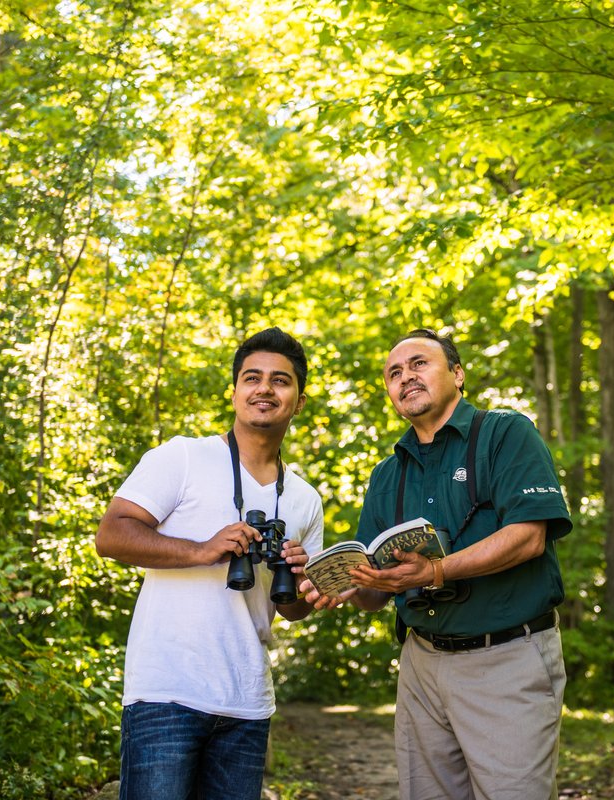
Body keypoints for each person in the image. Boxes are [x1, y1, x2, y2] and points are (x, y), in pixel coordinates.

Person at [302, 328, 572, 800]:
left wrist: (435, 572)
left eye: (419, 364)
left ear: (458, 374)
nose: (405, 376)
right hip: (421, 665)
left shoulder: (506, 433)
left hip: (507, 656)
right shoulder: (387, 473)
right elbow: (376, 594)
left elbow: (528, 537)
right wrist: (351, 584)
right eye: (394, 373)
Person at [96, 327, 323, 800]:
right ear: (236, 390)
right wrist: (202, 549)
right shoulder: (183, 457)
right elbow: (111, 534)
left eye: (281, 381)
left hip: (247, 700)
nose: (264, 388)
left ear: (299, 401)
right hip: (166, 691)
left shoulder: (304, 498)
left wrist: (304, 580)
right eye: (252, 378)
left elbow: (295, 610)